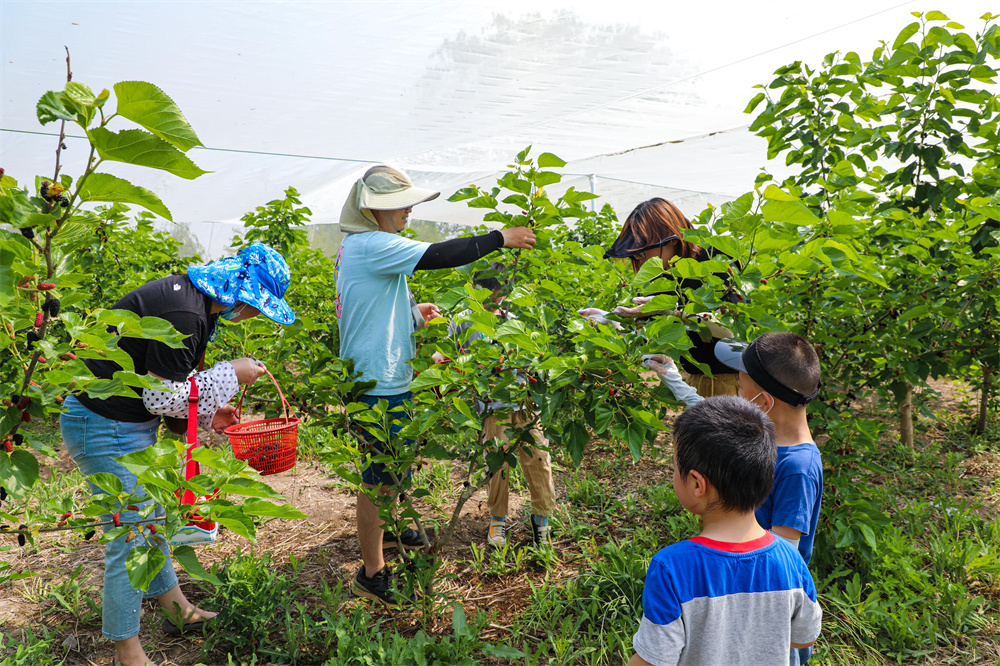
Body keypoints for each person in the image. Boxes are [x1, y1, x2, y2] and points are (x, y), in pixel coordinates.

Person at [60, 242, 295, 666]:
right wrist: (229, 374)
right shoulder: (187, 314)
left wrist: (209, 411)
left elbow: (169, 391)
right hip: (104, 426)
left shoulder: (194, 303)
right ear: (241, 289)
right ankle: (127, 653)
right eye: (258, 305)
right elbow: (160, 397)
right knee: (131, 537)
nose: (256, 314)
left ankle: (176, 611)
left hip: (118, 424)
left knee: (146, 523)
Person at [335, 165, 536, 608]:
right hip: (378, 382)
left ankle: (388, 531)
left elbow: (373, 303)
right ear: (374, 210)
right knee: (378, 479)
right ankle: (372, 574)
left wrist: (411, 312)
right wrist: (500, 238)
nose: (407, 210)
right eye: (398, 205)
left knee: (392, 467)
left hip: (378, 375)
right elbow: (440, 255)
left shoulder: (359, 246)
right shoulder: (372, 244)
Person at [646, 332, 824, 665]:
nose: (737, 395)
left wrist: (711, 571)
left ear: (762, 404)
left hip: (767, 609)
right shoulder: (765, 437)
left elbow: (784, 551)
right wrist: (672, 377)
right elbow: (716, 421)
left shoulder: (798, 468)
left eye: (740, 389)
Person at [430, 263, 556, 548]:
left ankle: (541, 522)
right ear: (477, 288)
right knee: (497, 464)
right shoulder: (464, 317)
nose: (496, 297)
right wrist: (438, 366)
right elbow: (447, 350)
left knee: (538, 458)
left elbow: (529, 356)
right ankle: (497, 521)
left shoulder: (511, 318)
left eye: (500, 292)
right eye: (492, 291)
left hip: (523, 401)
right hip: (493, 405)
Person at [597, 197, 742, 397]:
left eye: (642, 254)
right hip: (696, 377)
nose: (640, 261)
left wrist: (675, 312)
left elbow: (732, 332)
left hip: (730, 381)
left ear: (672, 241)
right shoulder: (664, 276)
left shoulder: (715, 262)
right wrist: (612, 320)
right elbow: (647, 333)